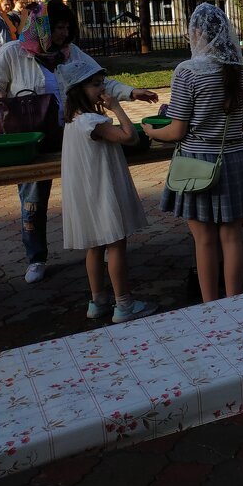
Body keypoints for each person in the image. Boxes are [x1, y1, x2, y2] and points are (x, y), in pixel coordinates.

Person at [0, 1, 159, 284]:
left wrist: (131, 92)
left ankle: (106, 240)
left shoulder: (71, 54)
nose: (63, 34)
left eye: (66, 28)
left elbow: (102, 82)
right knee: (33, 200)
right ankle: (36, 257)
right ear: (41, 28)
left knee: (93, 192)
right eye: (58, 28)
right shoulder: (14, 53)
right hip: (32, 142)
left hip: (75, 136)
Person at [143, 4, 243, 302]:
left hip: (196, 164)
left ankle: (210, 307)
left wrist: (152, 132)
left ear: (197, 33)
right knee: (232, 237)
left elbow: (176, 131)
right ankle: (235, 302)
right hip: (233, 160)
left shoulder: (188, 72)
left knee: (204, 240)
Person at [56, 57, 156, 323]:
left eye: (103, 84)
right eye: (95, 86)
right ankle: (124, 304)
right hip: (102, 192)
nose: (103, 90)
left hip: (88, 192)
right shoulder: (91, 121)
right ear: (78, 90)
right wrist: (118, 108)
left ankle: (97, 301)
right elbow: (130, 138)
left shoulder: (74, 120)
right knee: (116, 244)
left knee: (95, 246)